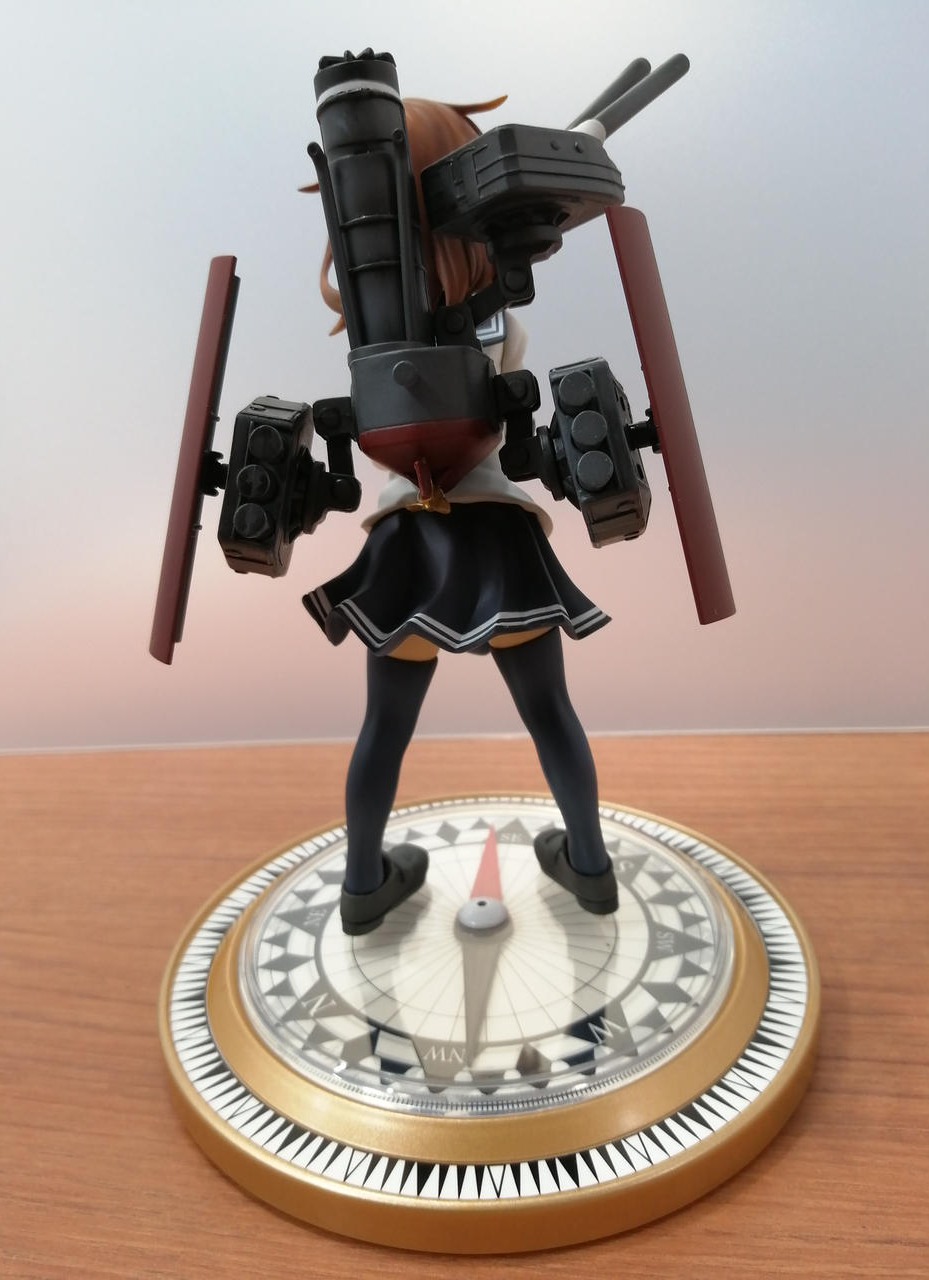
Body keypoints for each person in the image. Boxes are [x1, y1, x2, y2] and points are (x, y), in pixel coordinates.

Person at [302, 97, 619, 933]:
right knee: (549, 711)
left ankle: (362, 885)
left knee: (384, 725)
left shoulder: (369, 343)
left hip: (407, 549)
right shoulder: (495, 322)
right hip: (498, 540)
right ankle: (590, 868)